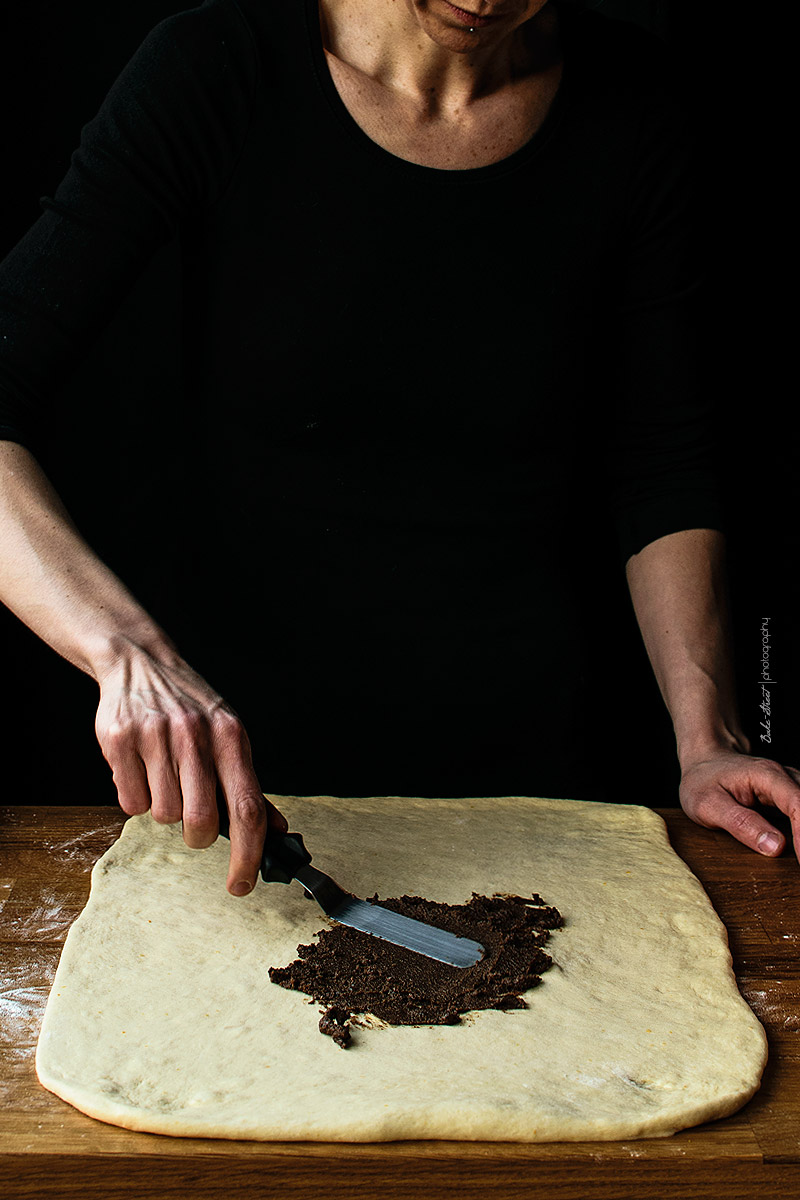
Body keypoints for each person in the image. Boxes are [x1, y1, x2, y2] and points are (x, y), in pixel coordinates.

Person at [1, 0, 798, 897]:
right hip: (246, 788)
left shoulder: (638, 103)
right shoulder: (218, 68)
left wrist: (707, 740)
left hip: (548, 783)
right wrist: (125, 654)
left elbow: (666, 462)